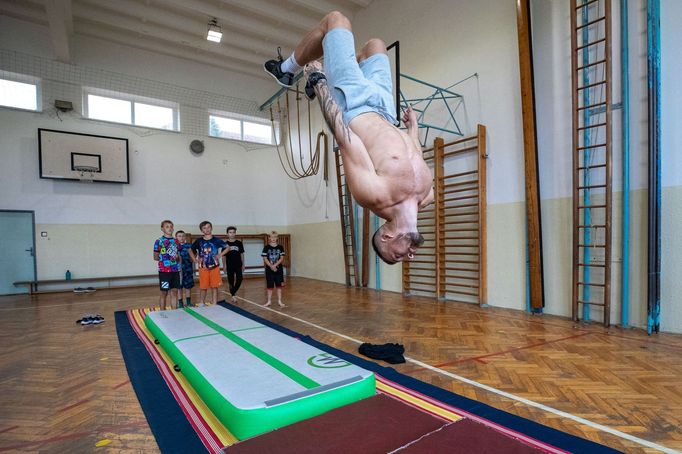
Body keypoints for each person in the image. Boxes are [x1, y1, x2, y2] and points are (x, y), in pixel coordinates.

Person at [264, 11, 434, 265]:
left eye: (398, 255)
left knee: (337, 20)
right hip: (386, 110)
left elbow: (345, 138)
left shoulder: (374, 196)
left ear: (386, 236)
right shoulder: (425, 197)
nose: (409, 255)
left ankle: (286, 69)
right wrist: (414, 129)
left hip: (354, 103)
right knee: (374, 46)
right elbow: (415, 156)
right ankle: (338, 64)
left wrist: (318, 81)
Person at [189, 221, 227, 306]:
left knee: (214, 286)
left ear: (211, 228)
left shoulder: (216, 240)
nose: (207, 229)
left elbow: (227, 247)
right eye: (204, 228)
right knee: (203, 286)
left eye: (208, 227)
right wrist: (195, 260)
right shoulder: (199, 241)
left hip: (215, 267)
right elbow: (190, 250)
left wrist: (220, 255)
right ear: (202, 230)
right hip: (203, 267)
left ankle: (214, 303)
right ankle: (202, 303)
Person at [153, 220, 181, 310]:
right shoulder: (159, 241)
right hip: (164, 272)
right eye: (167, 226)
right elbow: (156, 257)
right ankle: (162, 312)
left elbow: (179, 257)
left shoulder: (176, 241)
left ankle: (174, 311)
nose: (169, 228)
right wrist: (165, 259)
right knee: (164, 292)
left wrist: (176, 258)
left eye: (171, 226)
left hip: (175, 271)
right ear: (162, 228)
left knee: (174, 292)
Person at [261, 231, 285, 308]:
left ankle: (280, 301)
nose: (273, 238)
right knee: (270, 286)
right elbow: (265, 258)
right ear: (269, 238)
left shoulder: (280, 247)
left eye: (275, 237)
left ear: (277, 238)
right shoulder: (266, 247)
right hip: (269, 270)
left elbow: (281, 258)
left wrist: (275, 265)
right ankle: (269, 301)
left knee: (279, 286)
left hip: (279, 270)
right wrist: (271, 266)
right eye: (272, 237)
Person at [223, 226, 245, 303]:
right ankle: (233, 295)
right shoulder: (225, 244)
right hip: (229, 265)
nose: (232, 234)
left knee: (240, 279)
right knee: (231, 281)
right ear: (227, 234)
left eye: (233, 232)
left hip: (238, 264)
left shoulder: (239, 243)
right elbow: (223, 256)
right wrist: (224, 266)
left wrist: (243, 264)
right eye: (230, 232)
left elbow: (242, 254)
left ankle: (233, 292)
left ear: (235, 233)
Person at [175, 230, 194, 308]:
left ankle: (188, 303)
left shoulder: (189, 246)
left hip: (188, 269)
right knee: (179, 287)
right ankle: (180, 303)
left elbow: (192, 257)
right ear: (176, 238)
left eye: (183, 236)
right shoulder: (174, 247)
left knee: (188, 287)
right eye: (179, 236)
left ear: (185, 237)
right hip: (178, 271)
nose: (181, 238)